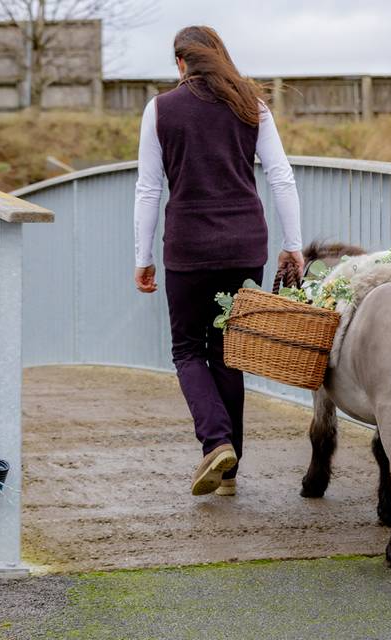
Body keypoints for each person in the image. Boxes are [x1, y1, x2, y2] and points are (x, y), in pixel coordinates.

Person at [133, 25, 303, 497]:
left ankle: (216, 442)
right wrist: (293, 243)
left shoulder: (161, 109)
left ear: (180, 63)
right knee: (228, 351)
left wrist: (143, 256)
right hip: (244, 246)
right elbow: (281, 176)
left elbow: (148, 188)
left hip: (188, 249)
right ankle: (229, 473)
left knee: (188, 350)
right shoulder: (252, 105)